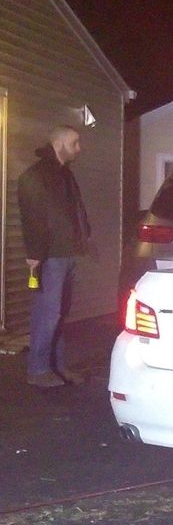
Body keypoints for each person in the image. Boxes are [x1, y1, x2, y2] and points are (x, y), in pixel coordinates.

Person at [18, 125, 91, 388]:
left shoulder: (64, 175)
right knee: (47, 313)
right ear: (59, 144)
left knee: (59, 313)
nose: (79, 148)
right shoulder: (37, 176)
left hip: (66, 254)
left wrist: (84, 239)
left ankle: (57, 367)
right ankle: (38, 370)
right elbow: (33, 218)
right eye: (74, 143)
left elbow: (74, 211)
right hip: (49, 256)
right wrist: (35, 255)